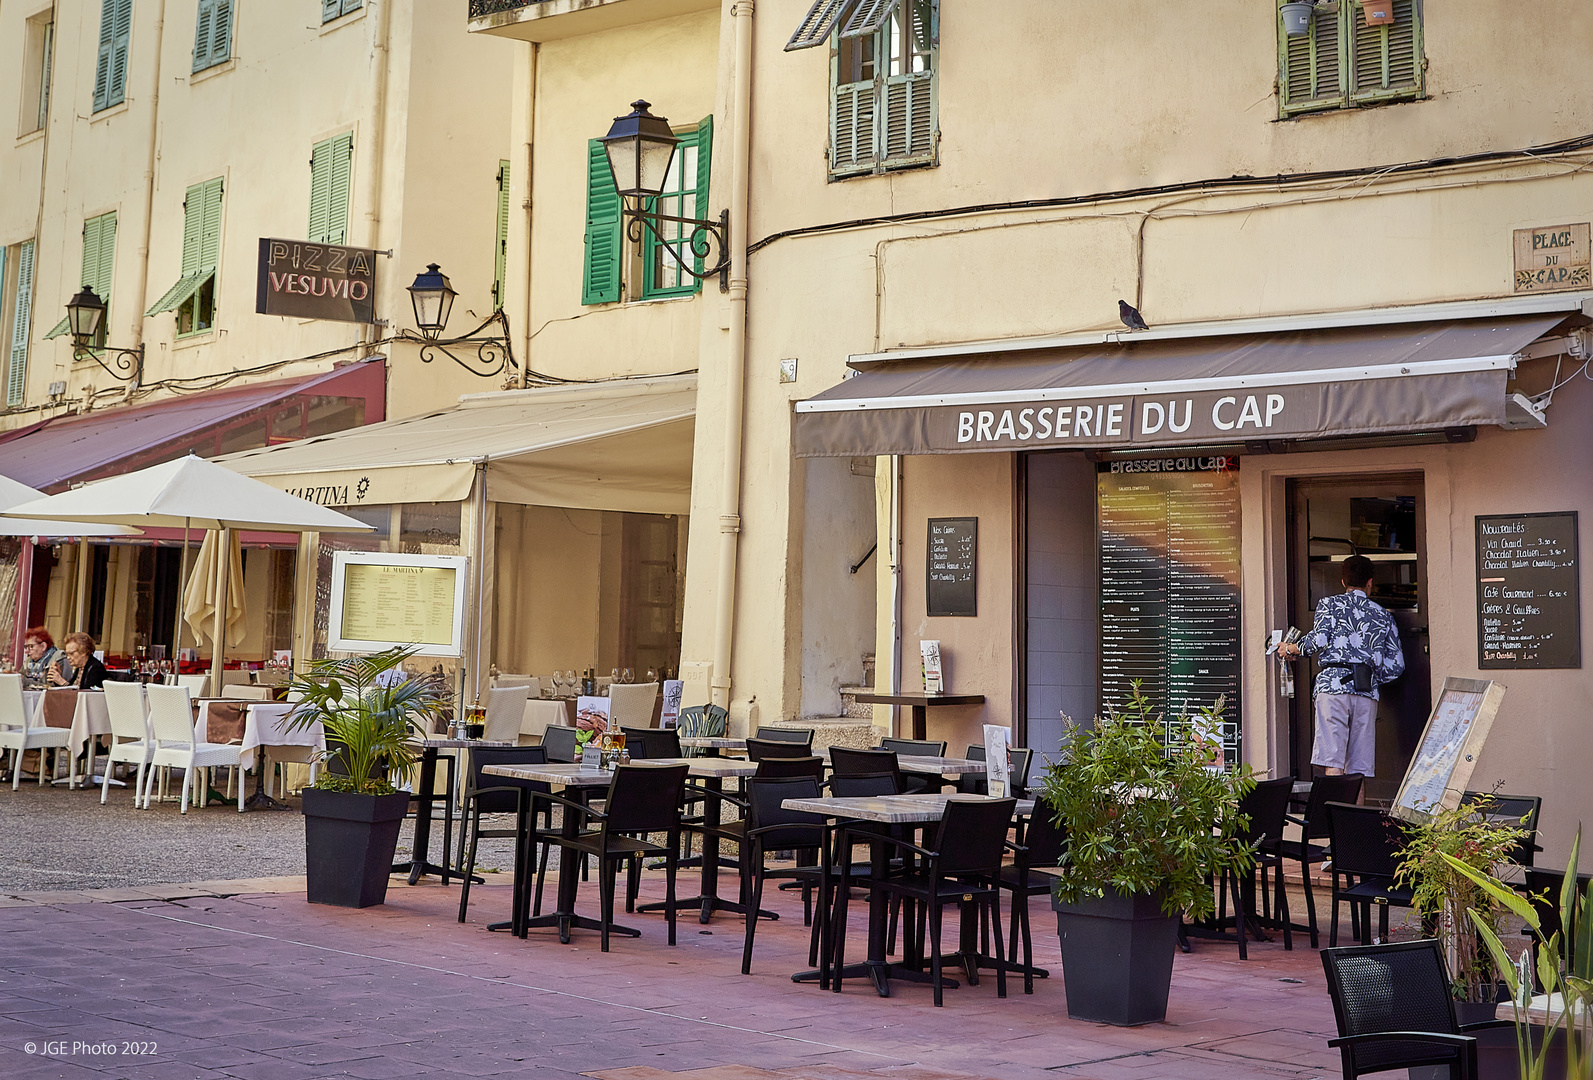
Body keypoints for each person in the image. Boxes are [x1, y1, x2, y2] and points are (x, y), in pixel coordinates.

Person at [1278, 554, 1405, 779]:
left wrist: (1290, 648)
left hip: (1332, 688)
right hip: (1365, 690)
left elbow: (1317, 641)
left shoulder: (1329, 604)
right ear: (1370, 582)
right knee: (1359, 770)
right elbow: (1396, 666)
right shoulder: (1383, 615)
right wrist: (1373, 675)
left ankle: (1333, 815)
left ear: (1343, 582)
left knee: (1333, 763)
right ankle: (1354, 815)